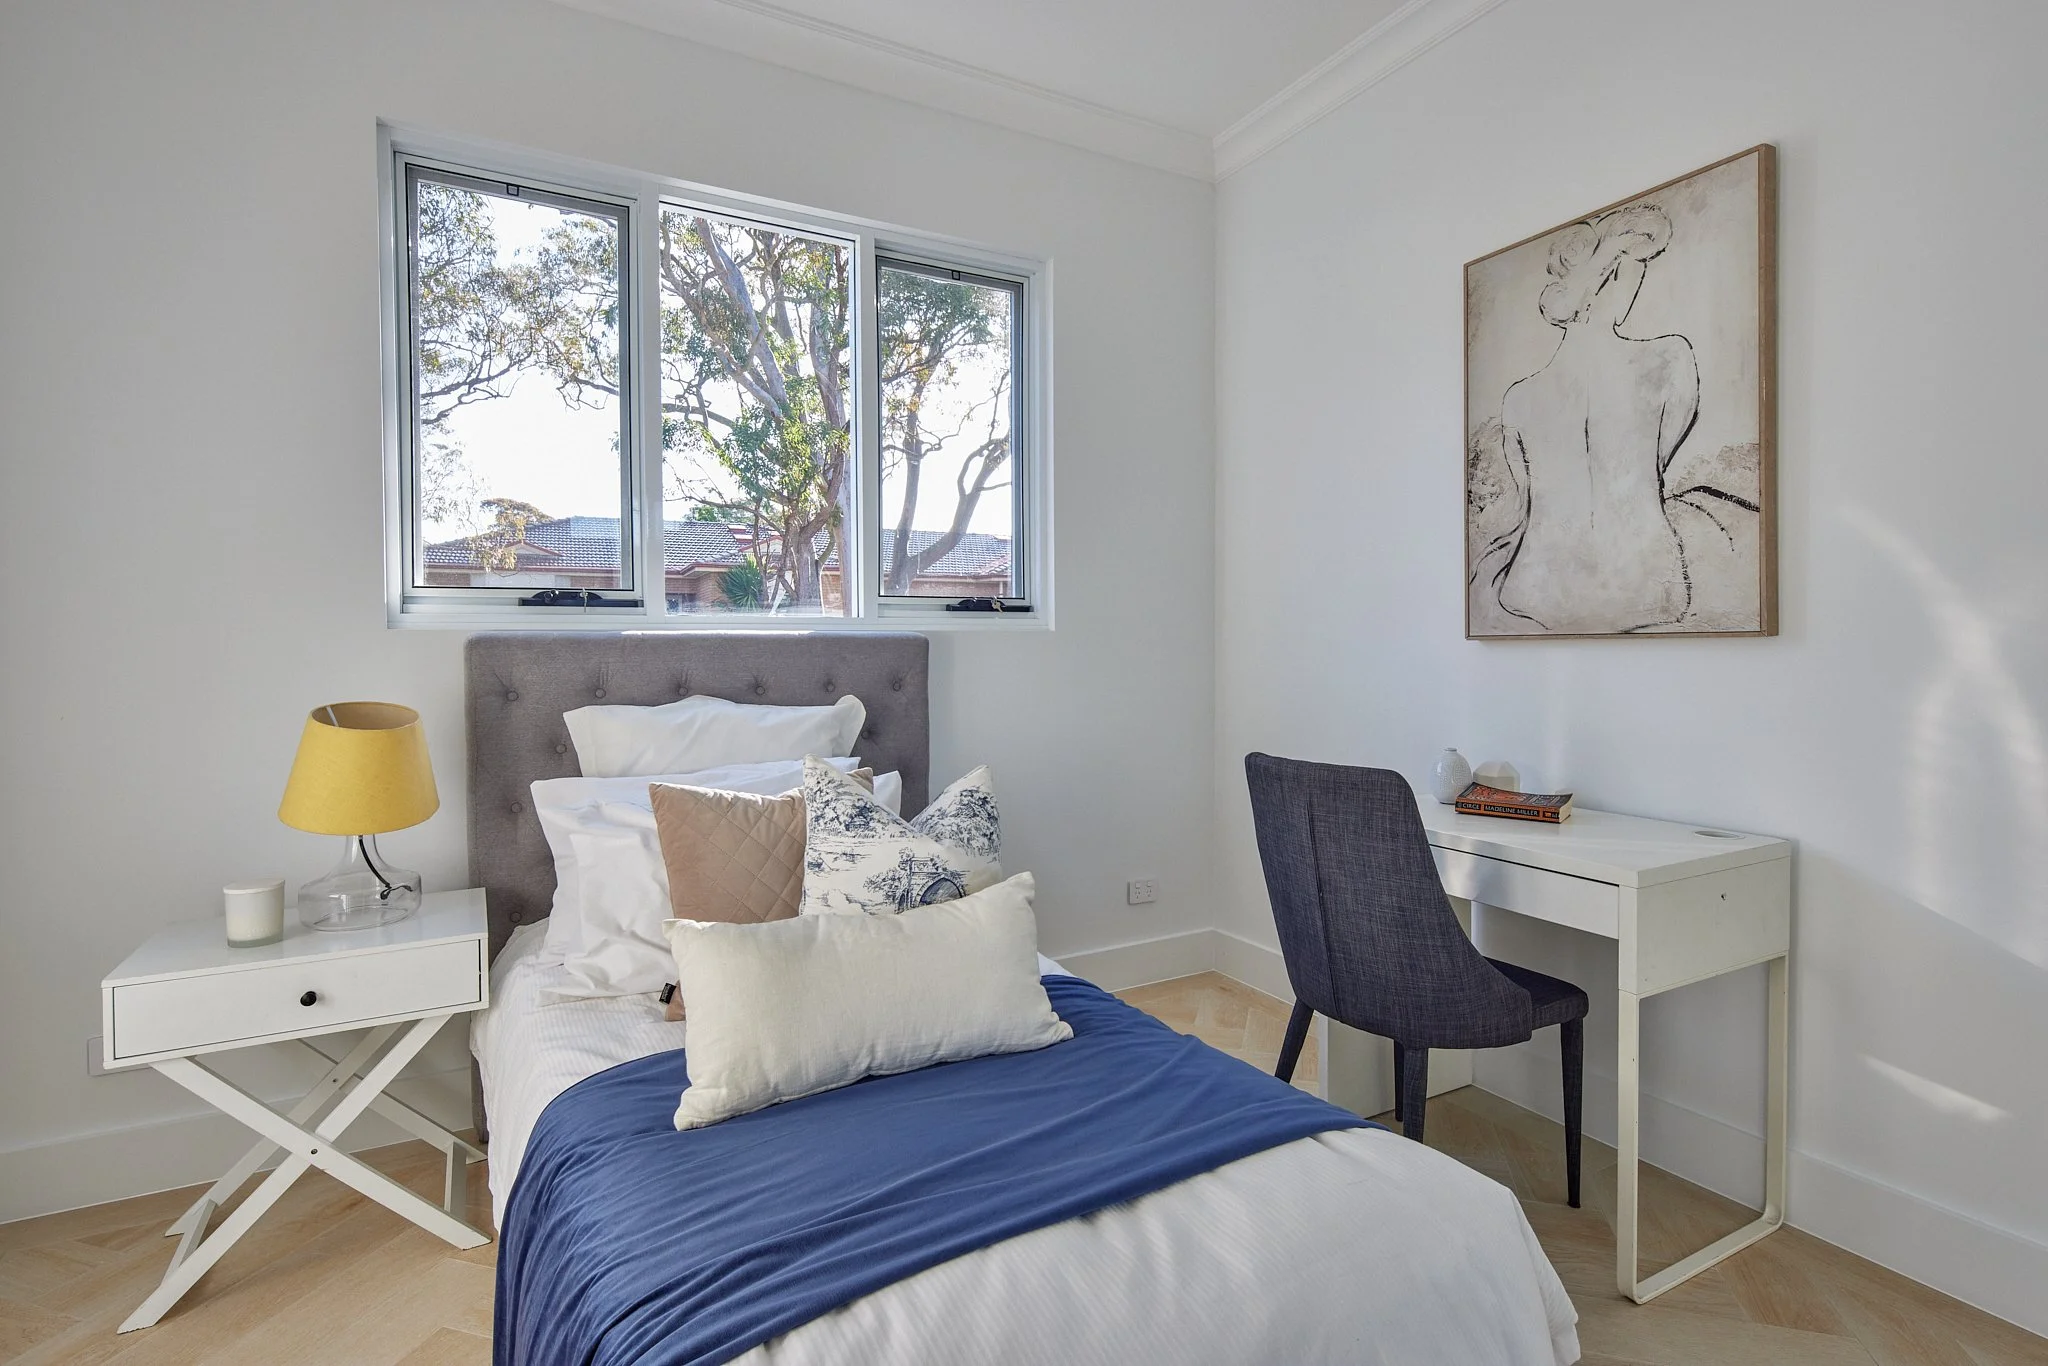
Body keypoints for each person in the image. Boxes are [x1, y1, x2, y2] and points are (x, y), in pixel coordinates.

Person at [1491, 204, 1699, 633]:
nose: (1637, 285)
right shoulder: (1670, 358)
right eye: (1632, 272)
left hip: (1533, 588)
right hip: (1647, 589)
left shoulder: (1519, 398)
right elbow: (1658, 458)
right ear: (1606, 281)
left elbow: (1527, 497)